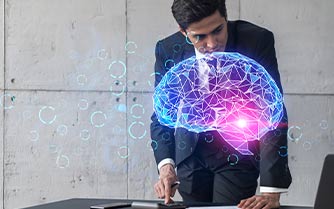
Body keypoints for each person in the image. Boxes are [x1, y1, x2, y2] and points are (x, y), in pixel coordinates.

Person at [150, 0, 292, 208]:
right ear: (183, 32)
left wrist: (271, 190)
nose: (212, 43)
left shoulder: (256, 40)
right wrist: (166, 166)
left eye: (218, 30)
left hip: (238, 153)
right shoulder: (168, 49)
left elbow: (272, 110)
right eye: (200, 37)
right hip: (190, 154)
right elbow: (161, 112)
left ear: (225, 18)